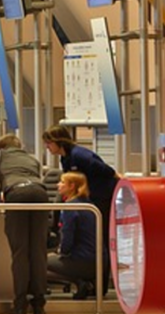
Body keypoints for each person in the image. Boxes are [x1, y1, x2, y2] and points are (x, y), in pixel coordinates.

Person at [0, 134, 49, 314]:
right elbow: (34, 180)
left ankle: (20, 304)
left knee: (20, 251)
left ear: (2, 146)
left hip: (17, 194)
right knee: (38, 251)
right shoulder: (32, 159)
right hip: (40, 194)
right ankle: (39, 303)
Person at [42, 125, 118, 293]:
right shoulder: (66, 158)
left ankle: (99, 287)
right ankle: (87, 282)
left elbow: (109, 171)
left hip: (101, 198)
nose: (47, 147)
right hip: (89, 198)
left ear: (58, 141)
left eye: (49, 143)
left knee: (101, 240)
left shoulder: (80, 155)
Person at [46, 172, 98, 299]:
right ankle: (82, 281)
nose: (58, 185)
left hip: (81, 260)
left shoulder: (70, 208)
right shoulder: (88, 204)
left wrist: (60, 252)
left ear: (72, 186)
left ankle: (79, 281)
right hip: (96, 260)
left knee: (37, 263)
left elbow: (67, 239)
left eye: (62, 182)